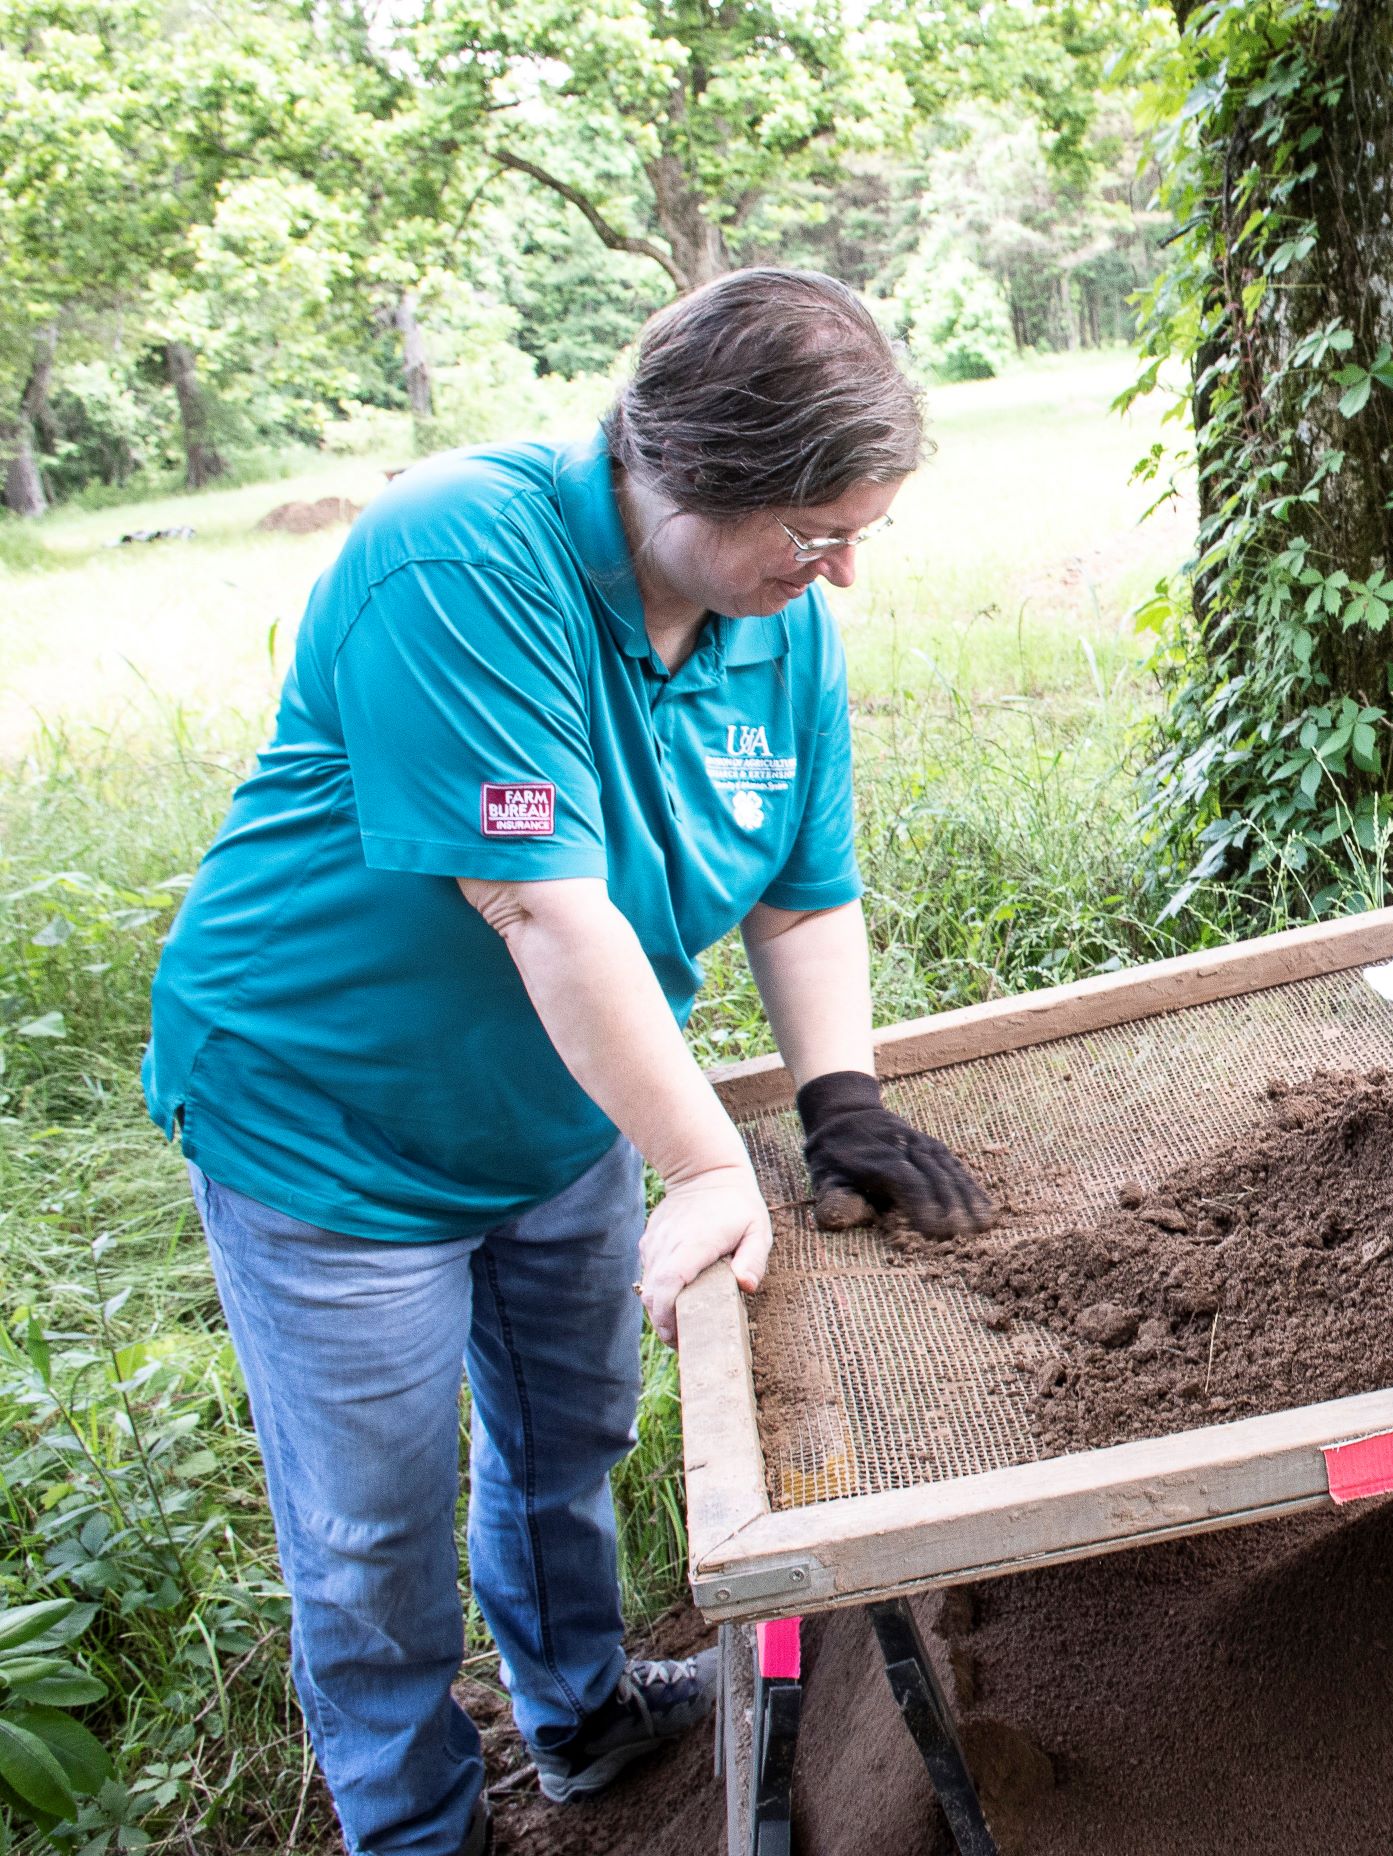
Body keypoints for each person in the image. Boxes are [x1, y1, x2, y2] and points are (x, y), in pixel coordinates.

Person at [142, 268, 995, 1856]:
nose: (843, 575)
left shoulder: (776, 623)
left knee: (569, 1440)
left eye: (861, 533)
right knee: (371, 1527)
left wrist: (841, 1098)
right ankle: (416, 1828)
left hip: (563, 1107)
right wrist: (697, 1159)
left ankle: (588, 1725)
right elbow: (538, 901)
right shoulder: (461, 552)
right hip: (330, 1122)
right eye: (816, 532)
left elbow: (805, 894)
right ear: (685, 474)